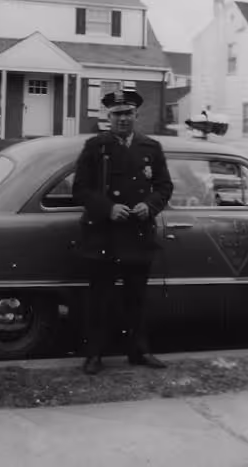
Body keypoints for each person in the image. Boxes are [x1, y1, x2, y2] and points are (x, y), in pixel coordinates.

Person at [72, 89, 174, 375]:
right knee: (99, 299)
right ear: (108, 117)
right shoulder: (95, 147)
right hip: (103, 235)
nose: (123, 119)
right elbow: (80, 189)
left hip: (137, 234)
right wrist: (108, 208)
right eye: (117, 114)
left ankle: (139, 351)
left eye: (128, 113)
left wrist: (149, 205)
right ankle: (94, 355)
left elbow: (164, 186)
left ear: (136, 115)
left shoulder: (151, 148)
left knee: (137, 298)